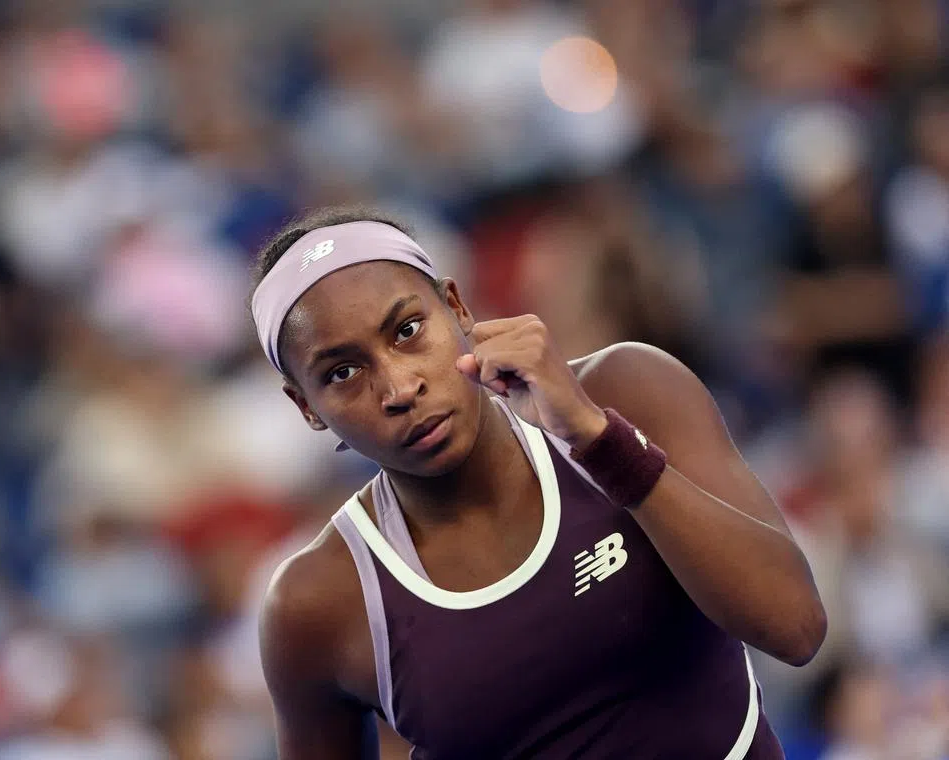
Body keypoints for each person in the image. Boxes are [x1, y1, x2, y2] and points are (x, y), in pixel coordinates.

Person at [251, 207, 827, 759]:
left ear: (456, 306)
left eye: (407, 330)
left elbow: (796, 628)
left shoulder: (629, 390)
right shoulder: (314, 605)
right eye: (343, 373)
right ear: (307, 406)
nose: (399, 387)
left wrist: (599, 441)